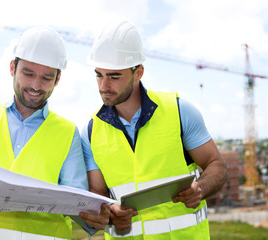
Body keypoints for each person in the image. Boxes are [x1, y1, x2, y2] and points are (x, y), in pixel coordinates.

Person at [0, 26, 109, 240]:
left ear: (58, 79)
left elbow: (78, 205)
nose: (36, 85)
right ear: (12, 68)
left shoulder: (67, 132)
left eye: (46, 78)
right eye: (28, 73)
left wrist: (95, 218)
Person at [81, 21, 228, 239]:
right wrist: (109, 212)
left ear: (138, 72)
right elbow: (98, 195)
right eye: (99, 75)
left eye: (114, 76)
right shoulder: (91, 131)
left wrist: (200, 188)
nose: (104, 86)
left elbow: (217, 166)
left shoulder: (179, 112)